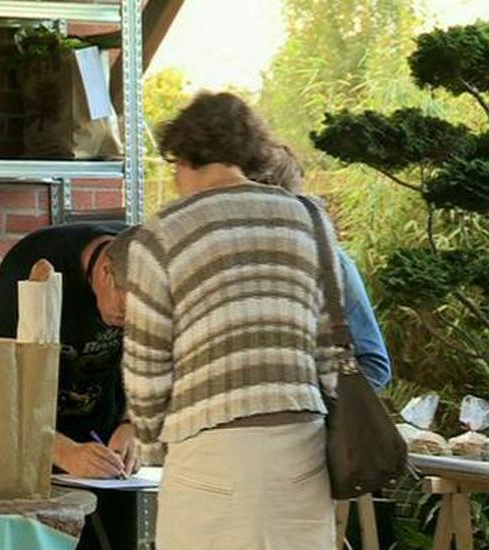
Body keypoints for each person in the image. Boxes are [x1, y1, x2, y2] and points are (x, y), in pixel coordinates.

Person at [123, 91, 342, 549]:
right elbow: (330, 347)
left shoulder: (162, 234)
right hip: (301, 444)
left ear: (182, 159)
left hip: (208, 448)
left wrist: (150, 445)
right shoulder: (309, 218)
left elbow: (147, 366)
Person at [0, 222, 140, 479]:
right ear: (105, 272)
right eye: (125, 309)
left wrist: (133, 424)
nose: (130, 323)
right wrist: (63, 452)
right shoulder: (30, 265)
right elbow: (0, 384)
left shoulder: (150, 261)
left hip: (106, 433)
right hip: (31, 433)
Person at [251, 144, 392, 389]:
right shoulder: (228, 269)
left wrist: (320, 407)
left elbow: (374, 366)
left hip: (315, 419)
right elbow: (376, 365)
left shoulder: (330, 261)